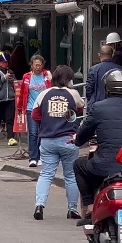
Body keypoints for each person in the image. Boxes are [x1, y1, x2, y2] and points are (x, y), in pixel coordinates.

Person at [73, 69, 122, 224]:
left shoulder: (97, 108)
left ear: (107, 88)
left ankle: (89, 207)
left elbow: (83, 134)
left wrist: (77, 140)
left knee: (78, 165)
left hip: (103, 167)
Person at [30, 65, 84, 220]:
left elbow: (35, 115)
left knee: (46, 174)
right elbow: (80, 108)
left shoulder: (43, 94)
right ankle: (72, 209)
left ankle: (39, 205)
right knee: (71, 175)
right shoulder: (73, 93)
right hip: (68, 140)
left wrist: (48, 121)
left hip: (47, 140)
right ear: (68, 79)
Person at [18, 55, 52, 167]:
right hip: (31, 108)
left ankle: (42, 156)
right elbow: (23, 93)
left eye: (39, 65)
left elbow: (52, 88)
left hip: (45, 109)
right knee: (33, 133)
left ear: (43, 65)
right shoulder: (26, 77)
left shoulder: (47, 75)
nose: (37, 67)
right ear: (31, 65)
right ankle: (33, 157)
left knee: (44, 133)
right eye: (35, 65)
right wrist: (19, 107)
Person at [0, 52, 17, 146]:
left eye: (6, 62)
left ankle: (11, 138)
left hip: (10, 98)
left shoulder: (10, 71)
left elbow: (15, 83)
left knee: (9, 119)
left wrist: (13, 81)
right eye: (3, 62)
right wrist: (4, 78)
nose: (4, 64)